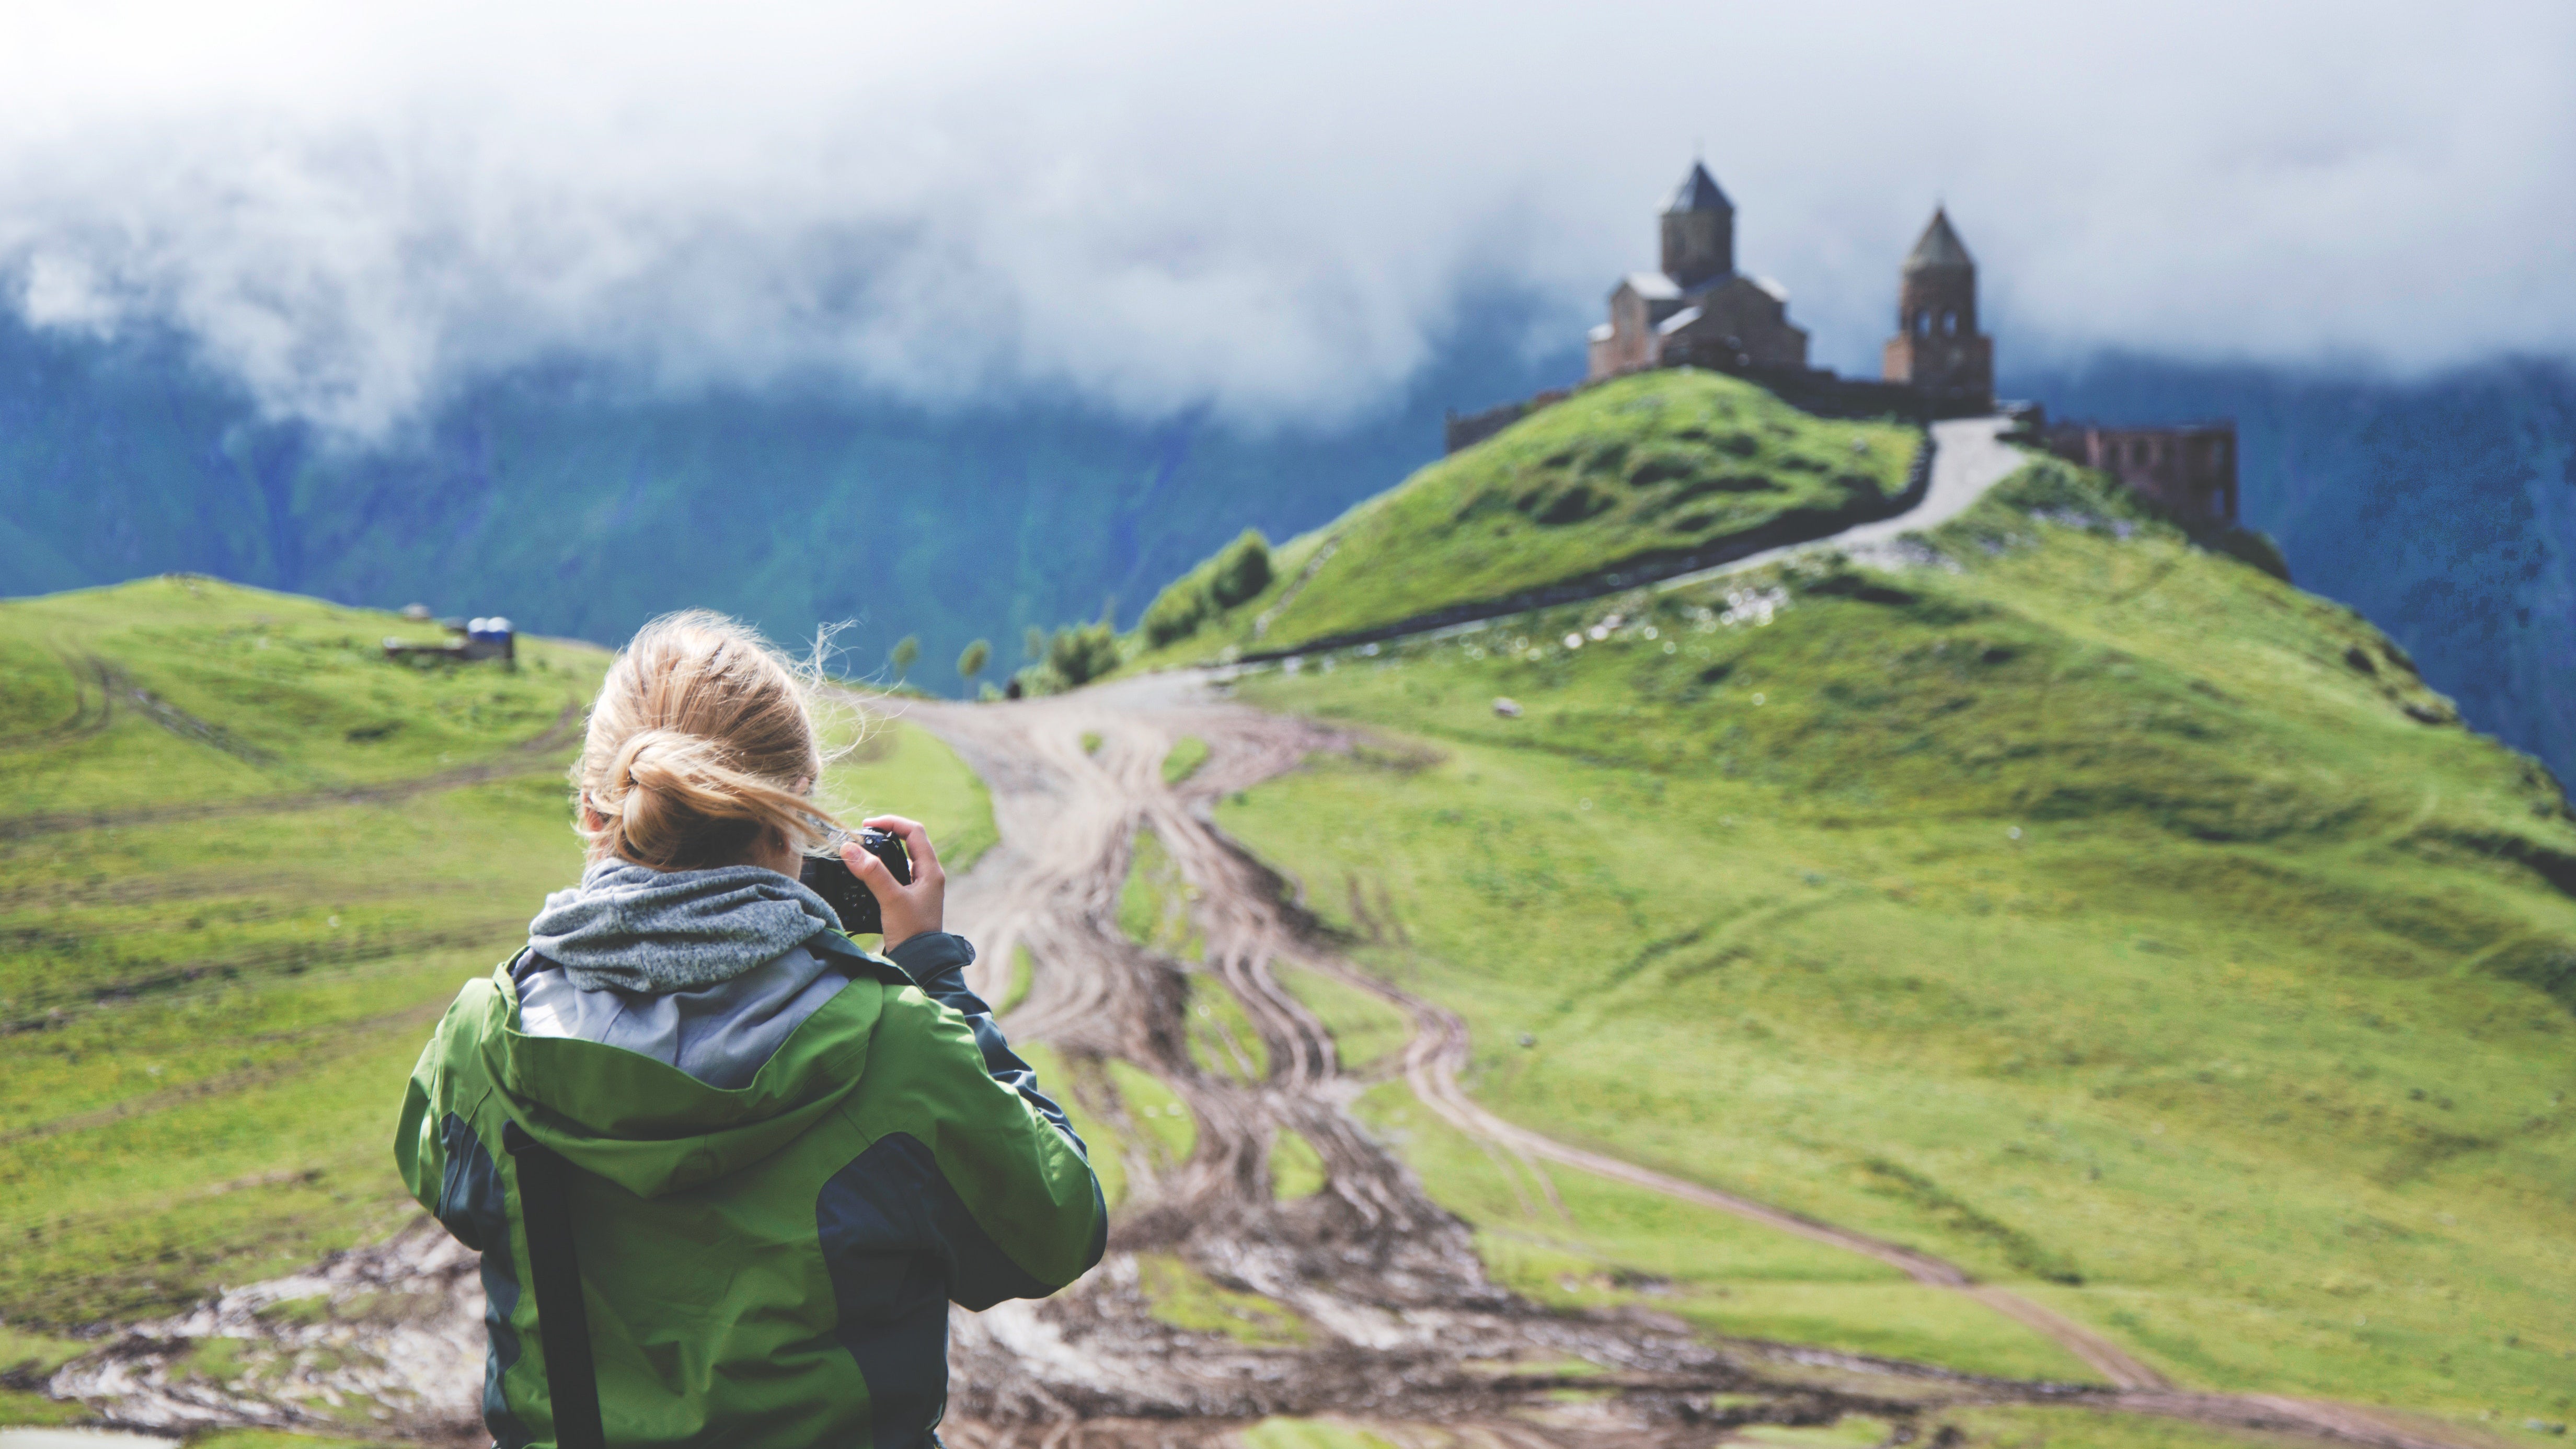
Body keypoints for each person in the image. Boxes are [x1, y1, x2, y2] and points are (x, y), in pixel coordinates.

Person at [396, 610, 1103, 1447]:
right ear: (797, 816)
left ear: (597, 813)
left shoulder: (485, 1040)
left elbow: (441, 1180)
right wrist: (937, 979)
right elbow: (1057, 1229)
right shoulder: (896, 1045)